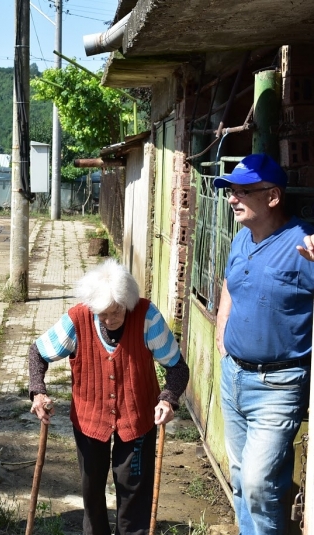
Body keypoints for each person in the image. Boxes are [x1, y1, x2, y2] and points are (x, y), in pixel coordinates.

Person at [29, 259, 189, 535]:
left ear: (127, 303)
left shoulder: (146, 315)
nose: (109, 320)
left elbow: (177, 367)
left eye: (116, 313)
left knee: (134, 490)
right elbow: (38, 352)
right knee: (91, 492)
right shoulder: (78, 319)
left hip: (137, 419)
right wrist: (38, 392)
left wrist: (167, 398)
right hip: (90, 419)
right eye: (102, 314)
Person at [215, 153, 314, 535]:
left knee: (259, 485)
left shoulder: (301, 244)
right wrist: (222, 325)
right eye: (230, 191)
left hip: (277, 385)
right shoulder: (242, 239)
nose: (232, 198)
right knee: (241, 478)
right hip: (233, 377)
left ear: (272, 196)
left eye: (243, 191)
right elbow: (230, 283)